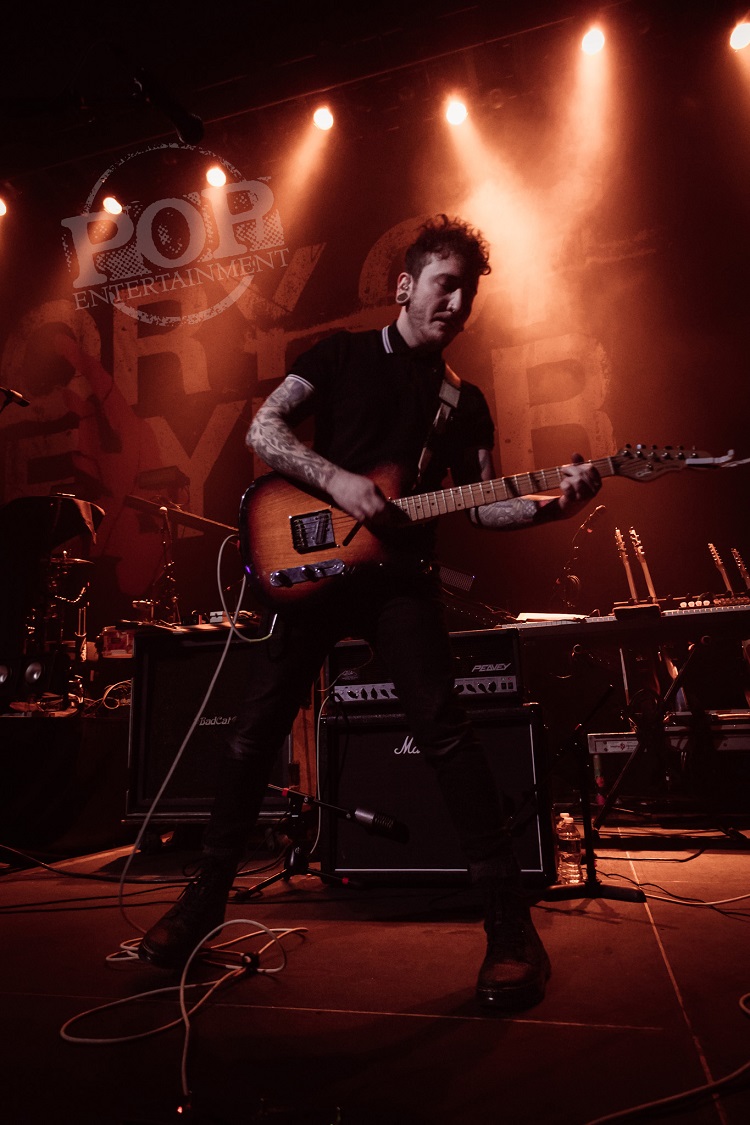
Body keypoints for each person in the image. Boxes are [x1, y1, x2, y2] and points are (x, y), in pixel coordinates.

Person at [138, 214, 601, 1011]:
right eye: (444, 284)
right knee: (251, 736)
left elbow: (482, 505)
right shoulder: (342, 355)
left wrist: (557, 506)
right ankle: (205, 898)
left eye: (469, 292)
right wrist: (339, 482)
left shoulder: (464, 400)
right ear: (406, 285)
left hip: (399, 583)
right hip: (315, 570)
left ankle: (508, 924)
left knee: (447, 734)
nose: (457, 302)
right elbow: (264, 428)